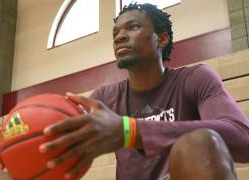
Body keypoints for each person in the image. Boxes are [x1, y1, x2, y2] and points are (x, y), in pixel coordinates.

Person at [38, 3, 249, 180]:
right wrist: (17, 140)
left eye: (133, 27)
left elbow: (242, 137)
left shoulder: (194, 78)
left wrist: (130, 131)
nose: (119, 36)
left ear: (162, 39)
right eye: (115, 33)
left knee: (198, 142)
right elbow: (57, 138)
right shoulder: (104, 98)